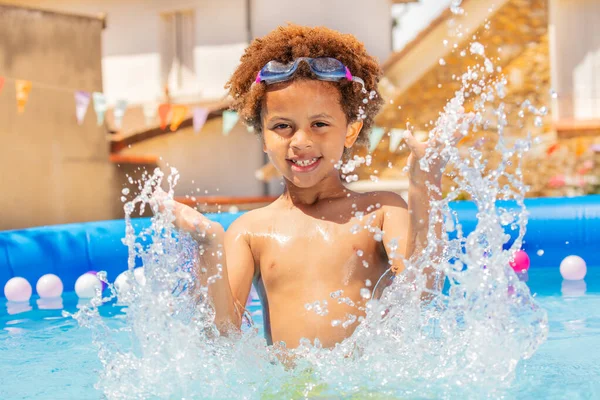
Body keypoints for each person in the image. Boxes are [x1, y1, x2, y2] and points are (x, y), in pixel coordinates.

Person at [154, 24, 450, 349]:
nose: (300, 141)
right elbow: (222, 336)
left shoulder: (380, 211)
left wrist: (425, 187)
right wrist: (207, 244)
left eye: (319, 124)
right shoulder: (250, 231)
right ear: (263, 138)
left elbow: (421, 291)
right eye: (282, 126)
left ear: (350, 132)